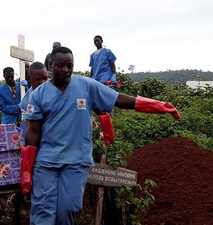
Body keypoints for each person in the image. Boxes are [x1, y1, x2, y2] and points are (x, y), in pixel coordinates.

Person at [21, 47, 180, 225]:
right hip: (47, 162)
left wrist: (156, 105)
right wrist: (26, 170)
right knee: (43, 211)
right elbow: (33, 132)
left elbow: (117, 98)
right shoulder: (39, 95)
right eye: (60, 65)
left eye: (69, 65)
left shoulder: (87, 86)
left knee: (68, 210)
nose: (65, 70)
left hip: (76, 161)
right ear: (51, 65)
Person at [18, 62, 48, 131]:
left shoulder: (56, 91)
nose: (42, 82)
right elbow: (28, 125)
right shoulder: (25, 102)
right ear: (29, 78)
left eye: (45, 78)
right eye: (38, 79)